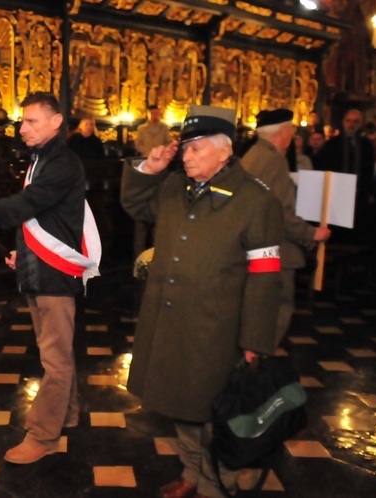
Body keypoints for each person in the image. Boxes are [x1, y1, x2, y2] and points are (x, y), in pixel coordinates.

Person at [121, 105, 283, 498]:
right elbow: (136, 206)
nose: (186, 156)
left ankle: (216, 484)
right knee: (182, 406)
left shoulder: (256, 201)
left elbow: (265, 279)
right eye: (185, 148)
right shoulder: (176, 186)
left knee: (215, 415)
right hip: (171, 319)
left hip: (216, 329)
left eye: (196, 149)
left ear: (224, 151)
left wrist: (254, 342)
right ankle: (191, 472)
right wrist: (149, 170)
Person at [0, 92, 99, 465]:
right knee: (56, 352)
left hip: (55, 276)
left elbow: (22, 208)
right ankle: (68, 413)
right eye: (22, 121)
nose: (22, 128)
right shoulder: (42, 159)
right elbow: (43, 219)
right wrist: (22, 252)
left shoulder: (62, 162)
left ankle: (43, 435)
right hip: (39, 267)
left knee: (54, 360)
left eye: (31, 121)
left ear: (56, 122)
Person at [241, 108, 330, 346]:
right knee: (276, 310)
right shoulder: (274, 161)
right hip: (275, 249)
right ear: (283, 132)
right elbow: (280, 212)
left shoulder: (253, 155)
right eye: (290, 129)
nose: (292, 134)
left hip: (252, 246)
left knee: (256, 309)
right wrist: (311, 233)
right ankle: (255, 366)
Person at [315, 109, 375, 242]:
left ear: (360, 124)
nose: (351, 125)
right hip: (336, 194)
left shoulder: (366, 145)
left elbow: (369, 169)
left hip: (359, 193)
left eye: (355, 121)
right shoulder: (332, 145)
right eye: (348, 121)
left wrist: (369, 191)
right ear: (343, 122)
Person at [132, 106, 172, 258]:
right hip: (145, 163)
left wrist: (162, 152)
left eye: (157, 112)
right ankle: (139, 257)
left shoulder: (164, 128)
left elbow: (168, 142)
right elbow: (138, 143)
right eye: (152, 112)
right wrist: (147, 153)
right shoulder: (142, 129)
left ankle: (157, 255)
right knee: (141, 222)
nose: (155, 115)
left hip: (160, 168)